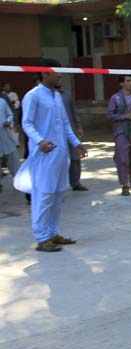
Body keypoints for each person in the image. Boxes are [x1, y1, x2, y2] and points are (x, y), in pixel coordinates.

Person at [20, 58, 88, 252]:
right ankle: (42, 238)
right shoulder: (32, 96)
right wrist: (39, 140)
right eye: (56, 72)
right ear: (44, 73)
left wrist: (76, 143)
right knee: (44, 195)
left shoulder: (57, 96)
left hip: (61, 154)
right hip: (44, 155)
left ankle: (53, 233)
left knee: (58, 195)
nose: (60, 75)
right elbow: (27, 123)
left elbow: (66, 124)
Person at [107, 75, 131, 196]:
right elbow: (110, 115)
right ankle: (124, 185)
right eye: (128, 81)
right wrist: (125, 116)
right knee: (123, 158)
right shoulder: (115, 98)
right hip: (121, 131)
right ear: (122, 84)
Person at [57, 84, 87, 191]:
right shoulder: (45, 96)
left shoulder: (67, 95)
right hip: (55, 133)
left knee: (75, 156)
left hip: (70, 129)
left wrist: (78, 125)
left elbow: (73, 111)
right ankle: (58, 186)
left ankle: (75, 182)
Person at [0, 92, 19, 193]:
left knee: (13, 158)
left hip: (5, 135)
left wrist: (8, 120)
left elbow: (10, 114)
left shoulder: (2, 102)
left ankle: (18, 180)